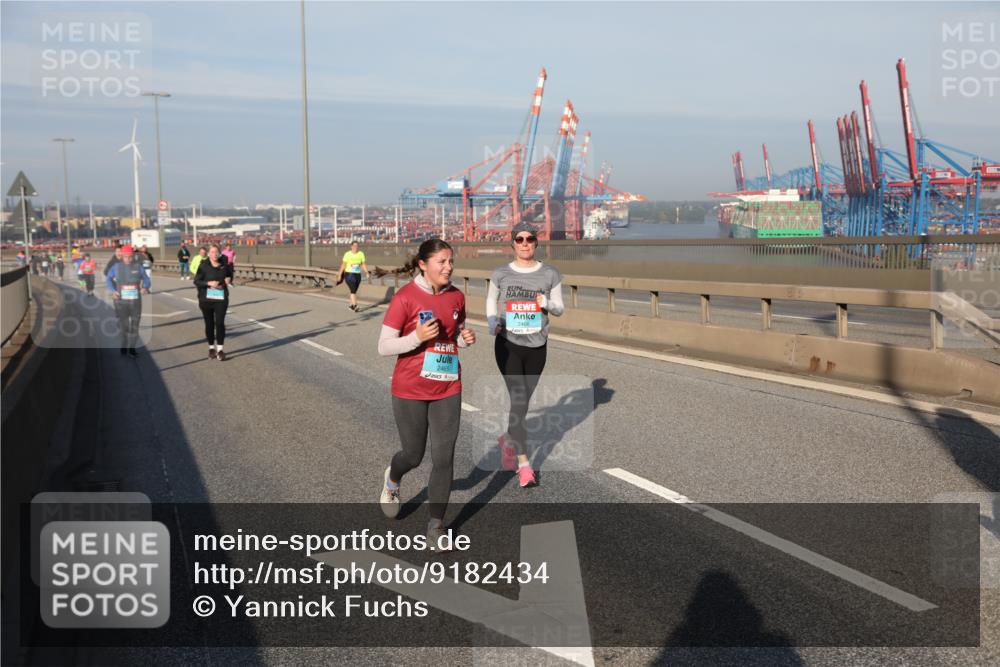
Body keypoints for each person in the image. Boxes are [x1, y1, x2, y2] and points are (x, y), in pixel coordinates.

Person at [377, 239, 476, 547]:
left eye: (451, 262)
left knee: (444, 457)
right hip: (410, 388)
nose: (449, 267)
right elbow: (383, 346)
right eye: (442, 262)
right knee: (413, 455)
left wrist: (463, 338)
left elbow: (453, 333)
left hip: (448, 385)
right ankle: (392, 479)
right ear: (423, 264)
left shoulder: (457, 296)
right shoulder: (405, 297)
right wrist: (415, 338)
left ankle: (436, 526)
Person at [486, 222, 565, 488]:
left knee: (523, 404)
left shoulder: (550, 273)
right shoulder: (501, 273)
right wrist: (491, 322)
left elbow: (560, 309)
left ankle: (509, 438)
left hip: (537, 347)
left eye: (529, 239)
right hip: (508, 344)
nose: (524, 243)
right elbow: (490, 301)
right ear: (512, 244)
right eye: (519, 239)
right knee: (519, 403)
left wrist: (547, 303)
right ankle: (524, 466)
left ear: (536, 242)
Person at [106, 244, 151, 357]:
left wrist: (145, 287)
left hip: (135, 302)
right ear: (121, 256)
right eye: (126, 256)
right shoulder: (116, 267)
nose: (128, 259)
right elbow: (108, 279)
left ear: (133, 256)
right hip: (121, 302)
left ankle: (132, 348)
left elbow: (146, 279)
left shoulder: (138, 267)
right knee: (124, 327)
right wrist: (113, 291)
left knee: (135, 326)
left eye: (130, 256)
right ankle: (124, 344)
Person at [193, 244, 234, 361]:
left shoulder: (224, 265)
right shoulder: (203, 265)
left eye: (216, 252)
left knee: (220, 323)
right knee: (209, 324)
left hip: (221, 299)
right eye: (212, 252)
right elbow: (196, 281)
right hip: (206, 299)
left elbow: (230, 276)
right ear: (208, 254)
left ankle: (220, 350)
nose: (214, 254)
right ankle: (211, 348)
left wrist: (229, 280)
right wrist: (209, 284)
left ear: (219, 253)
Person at [336, 240, 372, 311]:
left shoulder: (361, 254)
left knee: (354, 290)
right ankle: (355, 306)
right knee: (353, 290)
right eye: (354, 246)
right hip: (349, 274)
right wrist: (340, 274)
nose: (355, 247)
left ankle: (351, 306)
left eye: (357, 246)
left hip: (357, 274)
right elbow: (343, 265)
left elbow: (363, 264)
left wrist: (367, 272)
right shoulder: (347, 254)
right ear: (351, 246)